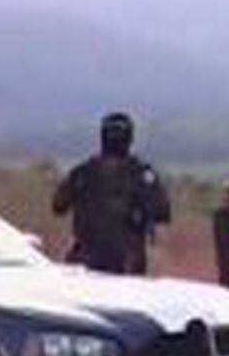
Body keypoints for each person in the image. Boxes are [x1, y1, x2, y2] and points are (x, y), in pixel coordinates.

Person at [52, 111, 172, 275]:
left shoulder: (83, 172)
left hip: (88, 261)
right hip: (126, 263)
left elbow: (58, 205)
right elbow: (162, 211)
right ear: (130, 138)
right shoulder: (141, 174)